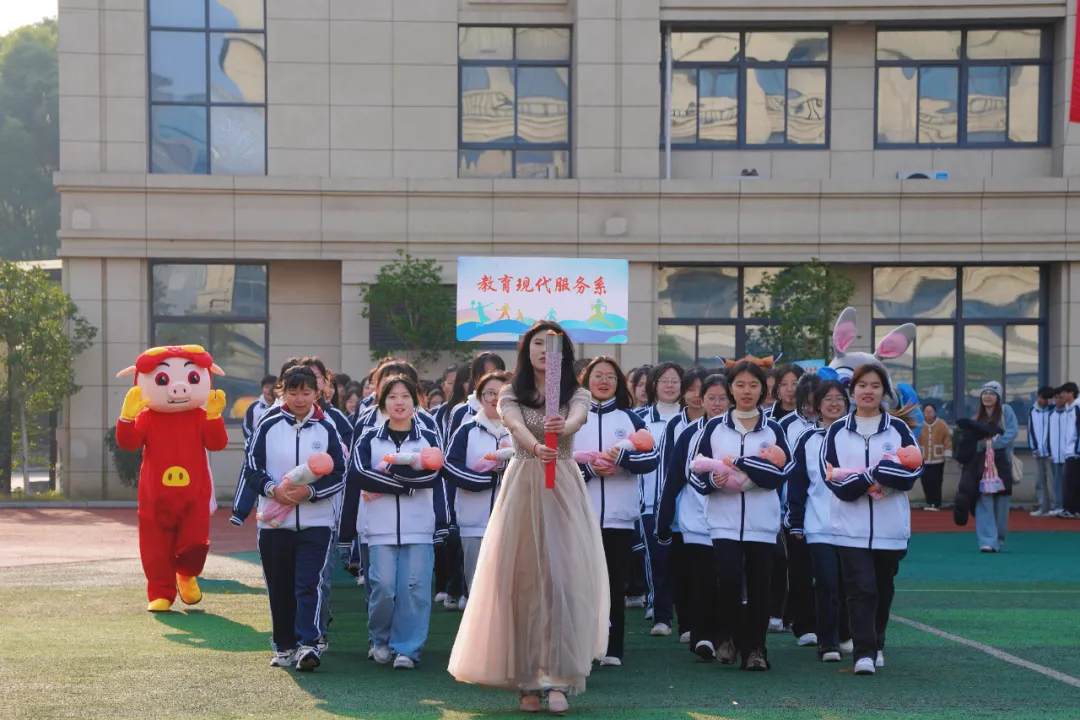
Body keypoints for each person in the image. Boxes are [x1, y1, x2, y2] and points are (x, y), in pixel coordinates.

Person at [448, 321, 608, 714]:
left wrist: (563, 426)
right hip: (523, 485)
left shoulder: (576, 393)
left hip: (562, 485)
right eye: (536, 343)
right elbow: (514, 423)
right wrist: (536, 446)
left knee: (561, 582)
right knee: (522, 583)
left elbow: (578, 418)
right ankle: (526, 682)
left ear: (563, 354)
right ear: (525, 349)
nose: (542, 350)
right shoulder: (510, 392)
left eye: (550, 344)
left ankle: (558, 679)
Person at [686, 360, 793, 671]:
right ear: (730, 388)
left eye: (754, 385)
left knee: (760, 587)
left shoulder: (774, 429)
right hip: (723, 522)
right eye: (741, 385)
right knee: (729, 580)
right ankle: (727, 636)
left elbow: (783, 471)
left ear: (764, 390)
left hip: (762, 522)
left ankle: (755, 649)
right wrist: (713, 481)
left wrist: (748, 471)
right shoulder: (713, 428)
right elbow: (695, 471)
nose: (747, 391)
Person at [821, 364, 922, 676]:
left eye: (875, 386)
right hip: (849, 527)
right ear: (852, 392)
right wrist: (870, 477)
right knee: (860, 588)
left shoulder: (898, 429)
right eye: (862, 385)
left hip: (890, 527)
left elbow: (913, 472)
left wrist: (884, 483)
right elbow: (832, 479)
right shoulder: (837, 430)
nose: (868, 391)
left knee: (882, 587)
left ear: (884, 392)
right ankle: (863, 653)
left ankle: (877, 642)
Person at [247, 366, 347, 671]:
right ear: (282, 392)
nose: (300, 398)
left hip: (316, 522)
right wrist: (273, 490)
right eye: (293, 392)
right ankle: (284, 646)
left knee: (309, 583)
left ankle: (308, 644)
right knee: (279, 586)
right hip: (274, 523)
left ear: (318, 393)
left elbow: (340, 474)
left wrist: (310, 493)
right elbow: (251, 468)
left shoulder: (327, 427)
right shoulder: (268, 424)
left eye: (306, 392)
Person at [352, 376, 445, 669]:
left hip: (419, 527)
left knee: (414, 589)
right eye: (392, 397)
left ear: (415, 401)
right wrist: (408, 478)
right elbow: (359, 475)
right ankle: (379, 639)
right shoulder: (369, 437)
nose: (399, 402)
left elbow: (434, 475)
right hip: (379, 528)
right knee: (382, 588)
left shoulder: (428, 435)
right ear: (382, 403)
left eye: (405, 396)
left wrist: (391, 475)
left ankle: (407, 648)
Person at [575, 356, 661, 666]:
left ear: (619, 383)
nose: (604, 381)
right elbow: (558, 463)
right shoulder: (573, 418)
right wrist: (590, 470)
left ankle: (613, 648)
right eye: (598, 375)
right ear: (587, 380)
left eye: (610, 377)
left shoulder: (630, 419)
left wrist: (619, 460)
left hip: (619, 519)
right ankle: (582, 647)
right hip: (579, 516)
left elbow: (651, 458)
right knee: (582, 584)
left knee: (614, 583)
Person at [656, 374, 730, 661]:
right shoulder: (688, 434)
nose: (717, 403)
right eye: (711, 398)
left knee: (727, 581)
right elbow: (673, 477)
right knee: (702, 581)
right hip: (695, 521)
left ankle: (724, 636)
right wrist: (664, 518)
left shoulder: (737, 433)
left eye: (723, 398)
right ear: (702, 400)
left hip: (731, 522)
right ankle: (702, 637)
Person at [786, 378, 853, 663]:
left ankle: (846, 633)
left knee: (849, 584)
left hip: (854, 526)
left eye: (839, 399)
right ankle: (828, 643)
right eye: (828, 399)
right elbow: (798, 484)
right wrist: (796, 521)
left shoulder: (855, 436)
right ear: (817, 405)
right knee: (826, 583)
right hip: (819, 526)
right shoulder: (807, 440)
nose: (834, 404)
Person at [443, 371, 513, 603]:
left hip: (512, 520)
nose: (495, 399)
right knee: (477, 588)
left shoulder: (520, 431)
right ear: (480, 398)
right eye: (489, 393)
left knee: (508, 587)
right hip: (474, 522)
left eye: (501, 393)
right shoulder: (467, 430)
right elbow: (450, 467)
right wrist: (486, 480)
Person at [634, 362, 685, 613]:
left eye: (675, 381)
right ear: (654, 385)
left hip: (686, 503)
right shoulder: (640, 419)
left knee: (684, 560)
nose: (670, 386)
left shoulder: (691, 418)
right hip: (650, 502)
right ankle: (657, 607)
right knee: (656, 558)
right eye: (665, 381)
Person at [966, 382, 1018, 552]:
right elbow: (971, 440)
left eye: (991, 393)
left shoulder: (1005, 411)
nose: (987, 396)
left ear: (998, 397)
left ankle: (999, 540)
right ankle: (987, 542)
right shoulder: (976, 417)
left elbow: (1012, 431)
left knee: (1001, 504)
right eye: (984, 393)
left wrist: (994, 444)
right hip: (982, 467)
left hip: (1002, 464)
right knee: (983, 501)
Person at [918, 403, 952, 511]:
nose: (928, 413)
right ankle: (929, 502)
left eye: (931, 411)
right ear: (923, 413)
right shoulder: (919, 424)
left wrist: (948, 452)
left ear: (935, 413)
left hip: (938, 459)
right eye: (926, 411)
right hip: (923, 458)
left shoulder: (942, 424)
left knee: (936, 482)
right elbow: (915, 439)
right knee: (925, 481)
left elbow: (947, 439)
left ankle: (936, 503)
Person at [1029, 386, 1055, 516]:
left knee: (1054, 480)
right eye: (1039, 397)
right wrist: (1034, 447)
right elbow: (1031, 430)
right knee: (1040, 481)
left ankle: (1056, 506)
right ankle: (1043, 506)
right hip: (1038, 452)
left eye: (1044, 398)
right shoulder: (1033, 410)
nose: (1040, 400)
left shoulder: (1054, 411)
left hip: (1051, 454)